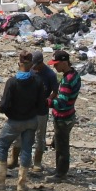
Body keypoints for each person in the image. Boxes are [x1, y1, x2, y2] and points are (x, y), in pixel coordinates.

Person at [0, 52, 42, 191]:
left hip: (15, 121)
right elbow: (42, 104)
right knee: (26, 149)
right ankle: (21, 184)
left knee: (2, 145)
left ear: (19, 64)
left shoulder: (12, 82)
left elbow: (3, 105)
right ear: (31, 65)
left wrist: (11, 114)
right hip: (31, 120)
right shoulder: (37, 81)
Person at [50, 49, 81, 181]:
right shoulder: (74, 74)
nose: (54, 66)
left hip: (63, 117)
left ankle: (60, 174)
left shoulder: (68, 80)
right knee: (58, 143)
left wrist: (47, 102)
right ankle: (61, 169)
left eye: (56, 64)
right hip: (69, 115)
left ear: (64, 62)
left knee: (61, 147)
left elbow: (61, 102)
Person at [30, 51, 59, 174]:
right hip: (29, 108)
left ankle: (37, 162)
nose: (34, 68)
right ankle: (18, 159)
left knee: (40, 136)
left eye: (36, 66)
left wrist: (49, 100)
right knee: (24, 133)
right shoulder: (30, 71)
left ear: (41, 63)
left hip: (41, 109)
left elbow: (55, 91)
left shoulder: (50, 75)